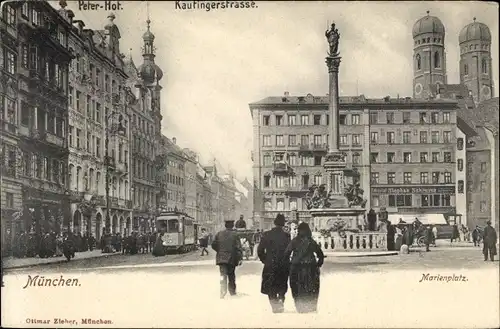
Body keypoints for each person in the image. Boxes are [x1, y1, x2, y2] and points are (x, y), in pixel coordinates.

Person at [284, 222, 324, 313]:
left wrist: (289, 264)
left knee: (297, 287)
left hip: (296, 267)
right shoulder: (311, 241)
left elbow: (286, 253)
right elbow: (320, 254)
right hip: (310, 267)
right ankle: (311, 306)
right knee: (311, 287)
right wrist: (318, 264)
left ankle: (300, 306)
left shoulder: (294, 241)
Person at [257, 214, 291, 313]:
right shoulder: (287, 236)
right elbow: (289, 250)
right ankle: (281, 298)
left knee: (270, 285)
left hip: (270, 264)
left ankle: (274, 304)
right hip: (283, 264)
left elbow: (260, 250)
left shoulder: (267, 234)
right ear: (283, 224)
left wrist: (265, 260)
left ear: (274, 223)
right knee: (282, 284)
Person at [211, 220, 243, 298]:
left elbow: (213, 244)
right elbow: (238, 248)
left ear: (225, 225)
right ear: (232, 226)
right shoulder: (235, 235)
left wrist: (219, 251)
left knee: (222, 275)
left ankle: (222, 291)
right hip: (232, 258)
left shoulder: (219, 234)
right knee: (231, 275)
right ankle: (232, 292)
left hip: (221, 258)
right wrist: (240, 258)